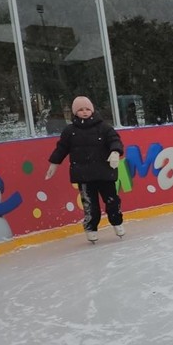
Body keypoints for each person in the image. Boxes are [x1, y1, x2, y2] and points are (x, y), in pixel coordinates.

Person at [45, 95, 125, 243]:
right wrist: (54, 163)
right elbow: (61, 148)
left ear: (92, 110)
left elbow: (115, 140)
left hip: (104, 173)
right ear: (75, 112)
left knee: (112, 201)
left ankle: (117, 222)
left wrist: (115, 151)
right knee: (90, 206)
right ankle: (91, 228)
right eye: (81, 109)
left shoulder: (104, 127)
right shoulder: (70, 131)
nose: (85, 112)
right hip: (84, 176)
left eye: (87, 109)